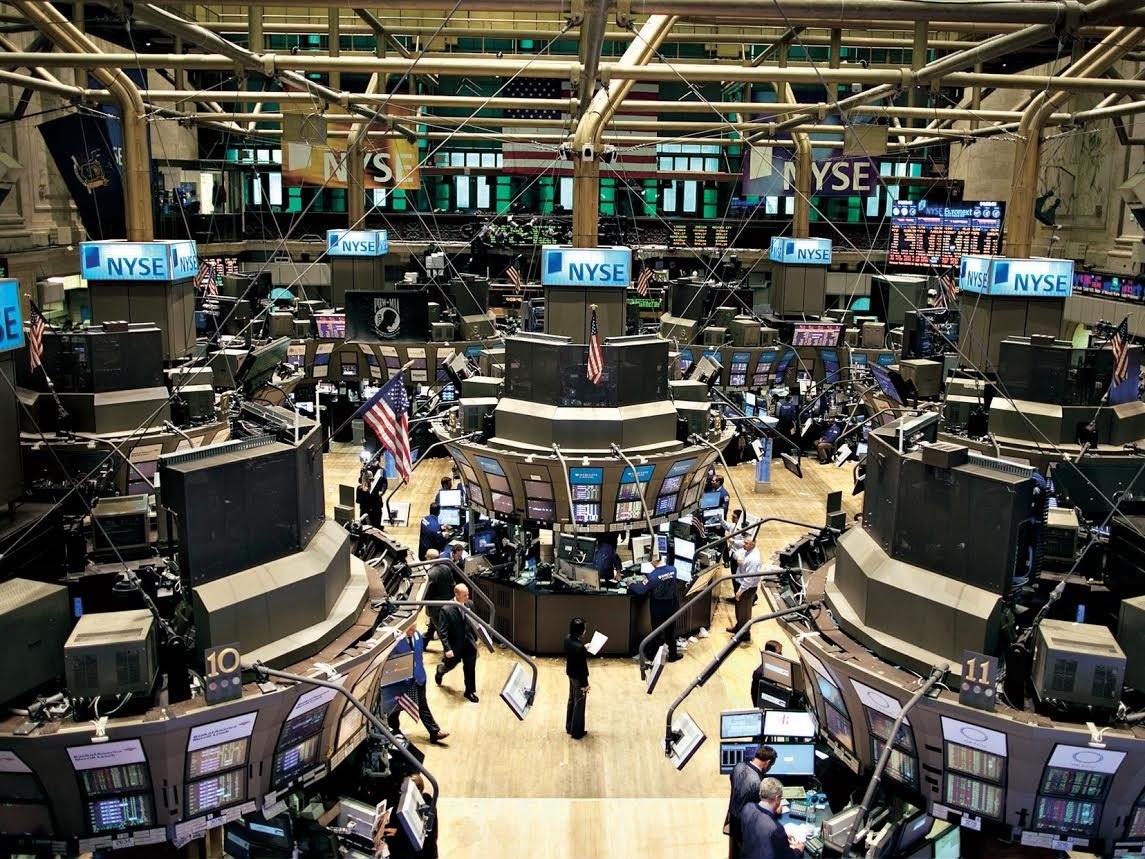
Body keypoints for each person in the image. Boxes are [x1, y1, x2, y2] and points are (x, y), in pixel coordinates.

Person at [387, 626, 449, 745]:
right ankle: (394, 732)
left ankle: (434, 732)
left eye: (414, 626)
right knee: (395, 710)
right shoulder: (393, 641)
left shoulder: (417, 636)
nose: (413, 629)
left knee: (422, 704)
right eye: (410, 628)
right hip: (400, 682)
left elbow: (418, 657)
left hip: (419, 677)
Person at [727, 745, 778, 859]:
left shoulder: (738, 766)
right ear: (768, 762)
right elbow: (762, 809)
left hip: (733, 819)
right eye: (771, 765)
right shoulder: (757, 783)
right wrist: (776, 808)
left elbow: (733, 782)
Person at [435, 584, 479, 702]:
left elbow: (474, 622)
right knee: (450, 665)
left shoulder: (470, 604)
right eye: (465, 595)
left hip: (469, 644)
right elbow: (442, 631)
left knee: (470, 668)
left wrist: (475, 638)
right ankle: (440, 670)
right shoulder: (446, 609)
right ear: (456, 594)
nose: (467, 597)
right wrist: (447, 648)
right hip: (454, 646)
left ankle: (469, 691)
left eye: (468, 594)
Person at [741, 777, 805, 859]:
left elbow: (758, 825)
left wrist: (783, 838)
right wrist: (798, 849)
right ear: (777, 798)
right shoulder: (776, 829)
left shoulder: (747, 807)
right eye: (781, 798)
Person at [383, 774, 438, 858]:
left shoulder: (426, 802)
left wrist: (398, 834)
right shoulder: (401, 804)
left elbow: (422, 835)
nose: (400, 793)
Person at [727, 532, 761, 636]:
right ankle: (739, 627)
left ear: (752, 544)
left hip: (746, 589)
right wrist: (738, 558)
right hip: (740, 584)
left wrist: (740, 592)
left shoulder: (753, 560)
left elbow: (749, 580)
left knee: (744, 613)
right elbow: (737, 552)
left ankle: (745, 634)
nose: (743, 544)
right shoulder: (747, 550)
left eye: (746, 543)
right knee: (739, 610)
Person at [564, 617, 590, 739]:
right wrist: (585, 684)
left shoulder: (568, 639)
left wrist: (584, 648)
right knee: (579, 703)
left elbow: (575, 652)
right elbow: (582, 668)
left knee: (572, 700)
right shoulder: (580, 648)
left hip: (570, 674)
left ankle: (569, 726)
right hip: (579, 678)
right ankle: (577, 731)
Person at [423, 550, 453, 644]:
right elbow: (453, 584)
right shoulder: (446, 567)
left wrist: (423, 602)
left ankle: (447, 652)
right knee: (432, 625)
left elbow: (428, 592)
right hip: (447, 603)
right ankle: (425, 642)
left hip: (435, 607)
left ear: (429, 559)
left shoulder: (431, 573)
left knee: (441, 630)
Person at [750, 641, 784, 705]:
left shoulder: (781, 666)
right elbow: (755, 695)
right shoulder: (759, 673)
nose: (781, 655)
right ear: (770, 654)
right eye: (779, 653)